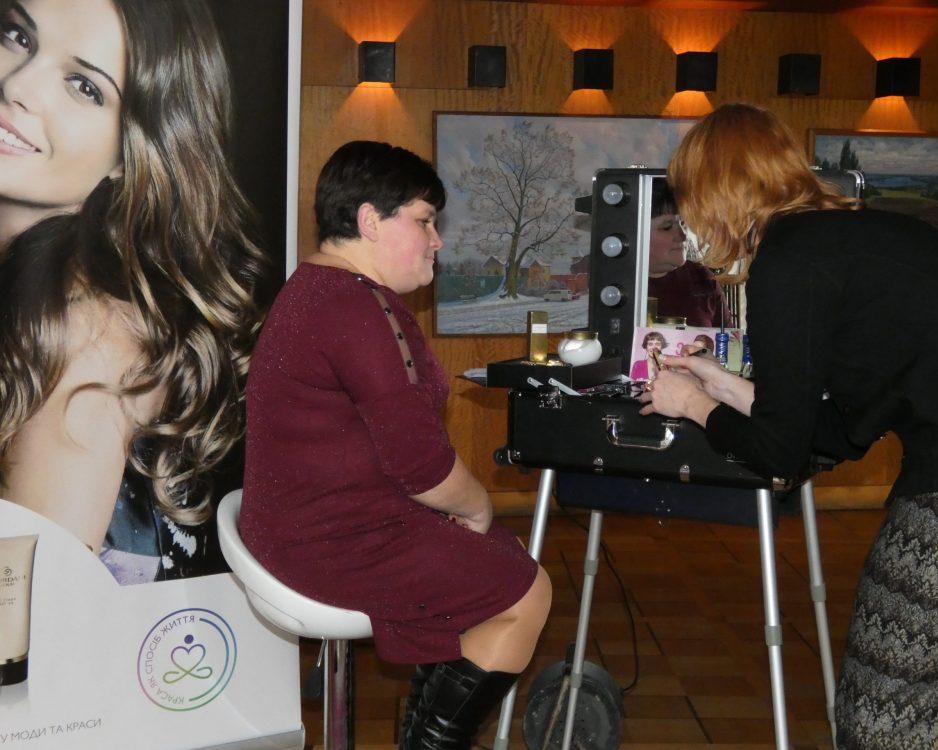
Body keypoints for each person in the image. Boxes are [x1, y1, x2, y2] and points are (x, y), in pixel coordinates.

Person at [639, 103, 938, 750]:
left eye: (689, 198)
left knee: (882, 706)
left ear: (714, 191)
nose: (689, 219)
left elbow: (779, 454)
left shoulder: (791, 261)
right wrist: (721, 386)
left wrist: (690, 405)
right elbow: (836, 429)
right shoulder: (845, 240)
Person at [240, 141, 551, 750]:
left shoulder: (321, 288)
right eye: (425, 221)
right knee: (525, 592)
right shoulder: (353, 307)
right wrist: (477, 505)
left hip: (309, 523)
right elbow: (421, 466)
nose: (437, 241)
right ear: (369, 221)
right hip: (326, 540)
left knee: (499, 563)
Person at [0, 0, 265, 582]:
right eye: (17, 36)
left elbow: (33, 612)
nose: (18, 86)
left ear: (130, 152)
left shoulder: (83, 327)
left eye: (84, 86)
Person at [647, 179, 731, 328]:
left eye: (683, 223)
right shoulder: (615, 286)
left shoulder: (702, 279)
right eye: (667, 227)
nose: (682, 235)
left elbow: (729, 340)